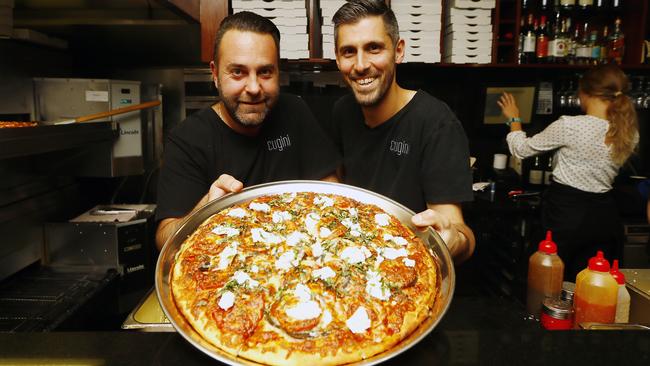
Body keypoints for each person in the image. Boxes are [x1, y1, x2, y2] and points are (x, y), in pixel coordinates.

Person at [155, 11, 339, 250]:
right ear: (215, 74)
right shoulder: (187, 139)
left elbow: (331, 186)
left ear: (277, 73)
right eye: (238, 72)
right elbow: (164, 240)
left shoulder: (295, 110)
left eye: (265, 72)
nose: (253, 88)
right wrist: (205, 209)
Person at [330, 0, 476, 263]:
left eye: (373, 48)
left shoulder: (436, 123)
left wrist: (452, 239)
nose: (361, 65)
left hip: (406, 268)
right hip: (350, 265)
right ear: (338, 58)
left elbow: (461, 233)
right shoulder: (341, 112)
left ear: (398, 51)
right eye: (349, 52)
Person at [498, 64, 639, 280]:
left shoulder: (570, 126)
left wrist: (514, 118)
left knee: (547, 280)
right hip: (604, 218)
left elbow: (521, 149)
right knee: (591, 284)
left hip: (565, 215)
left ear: (585, 93)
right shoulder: (629, 132)